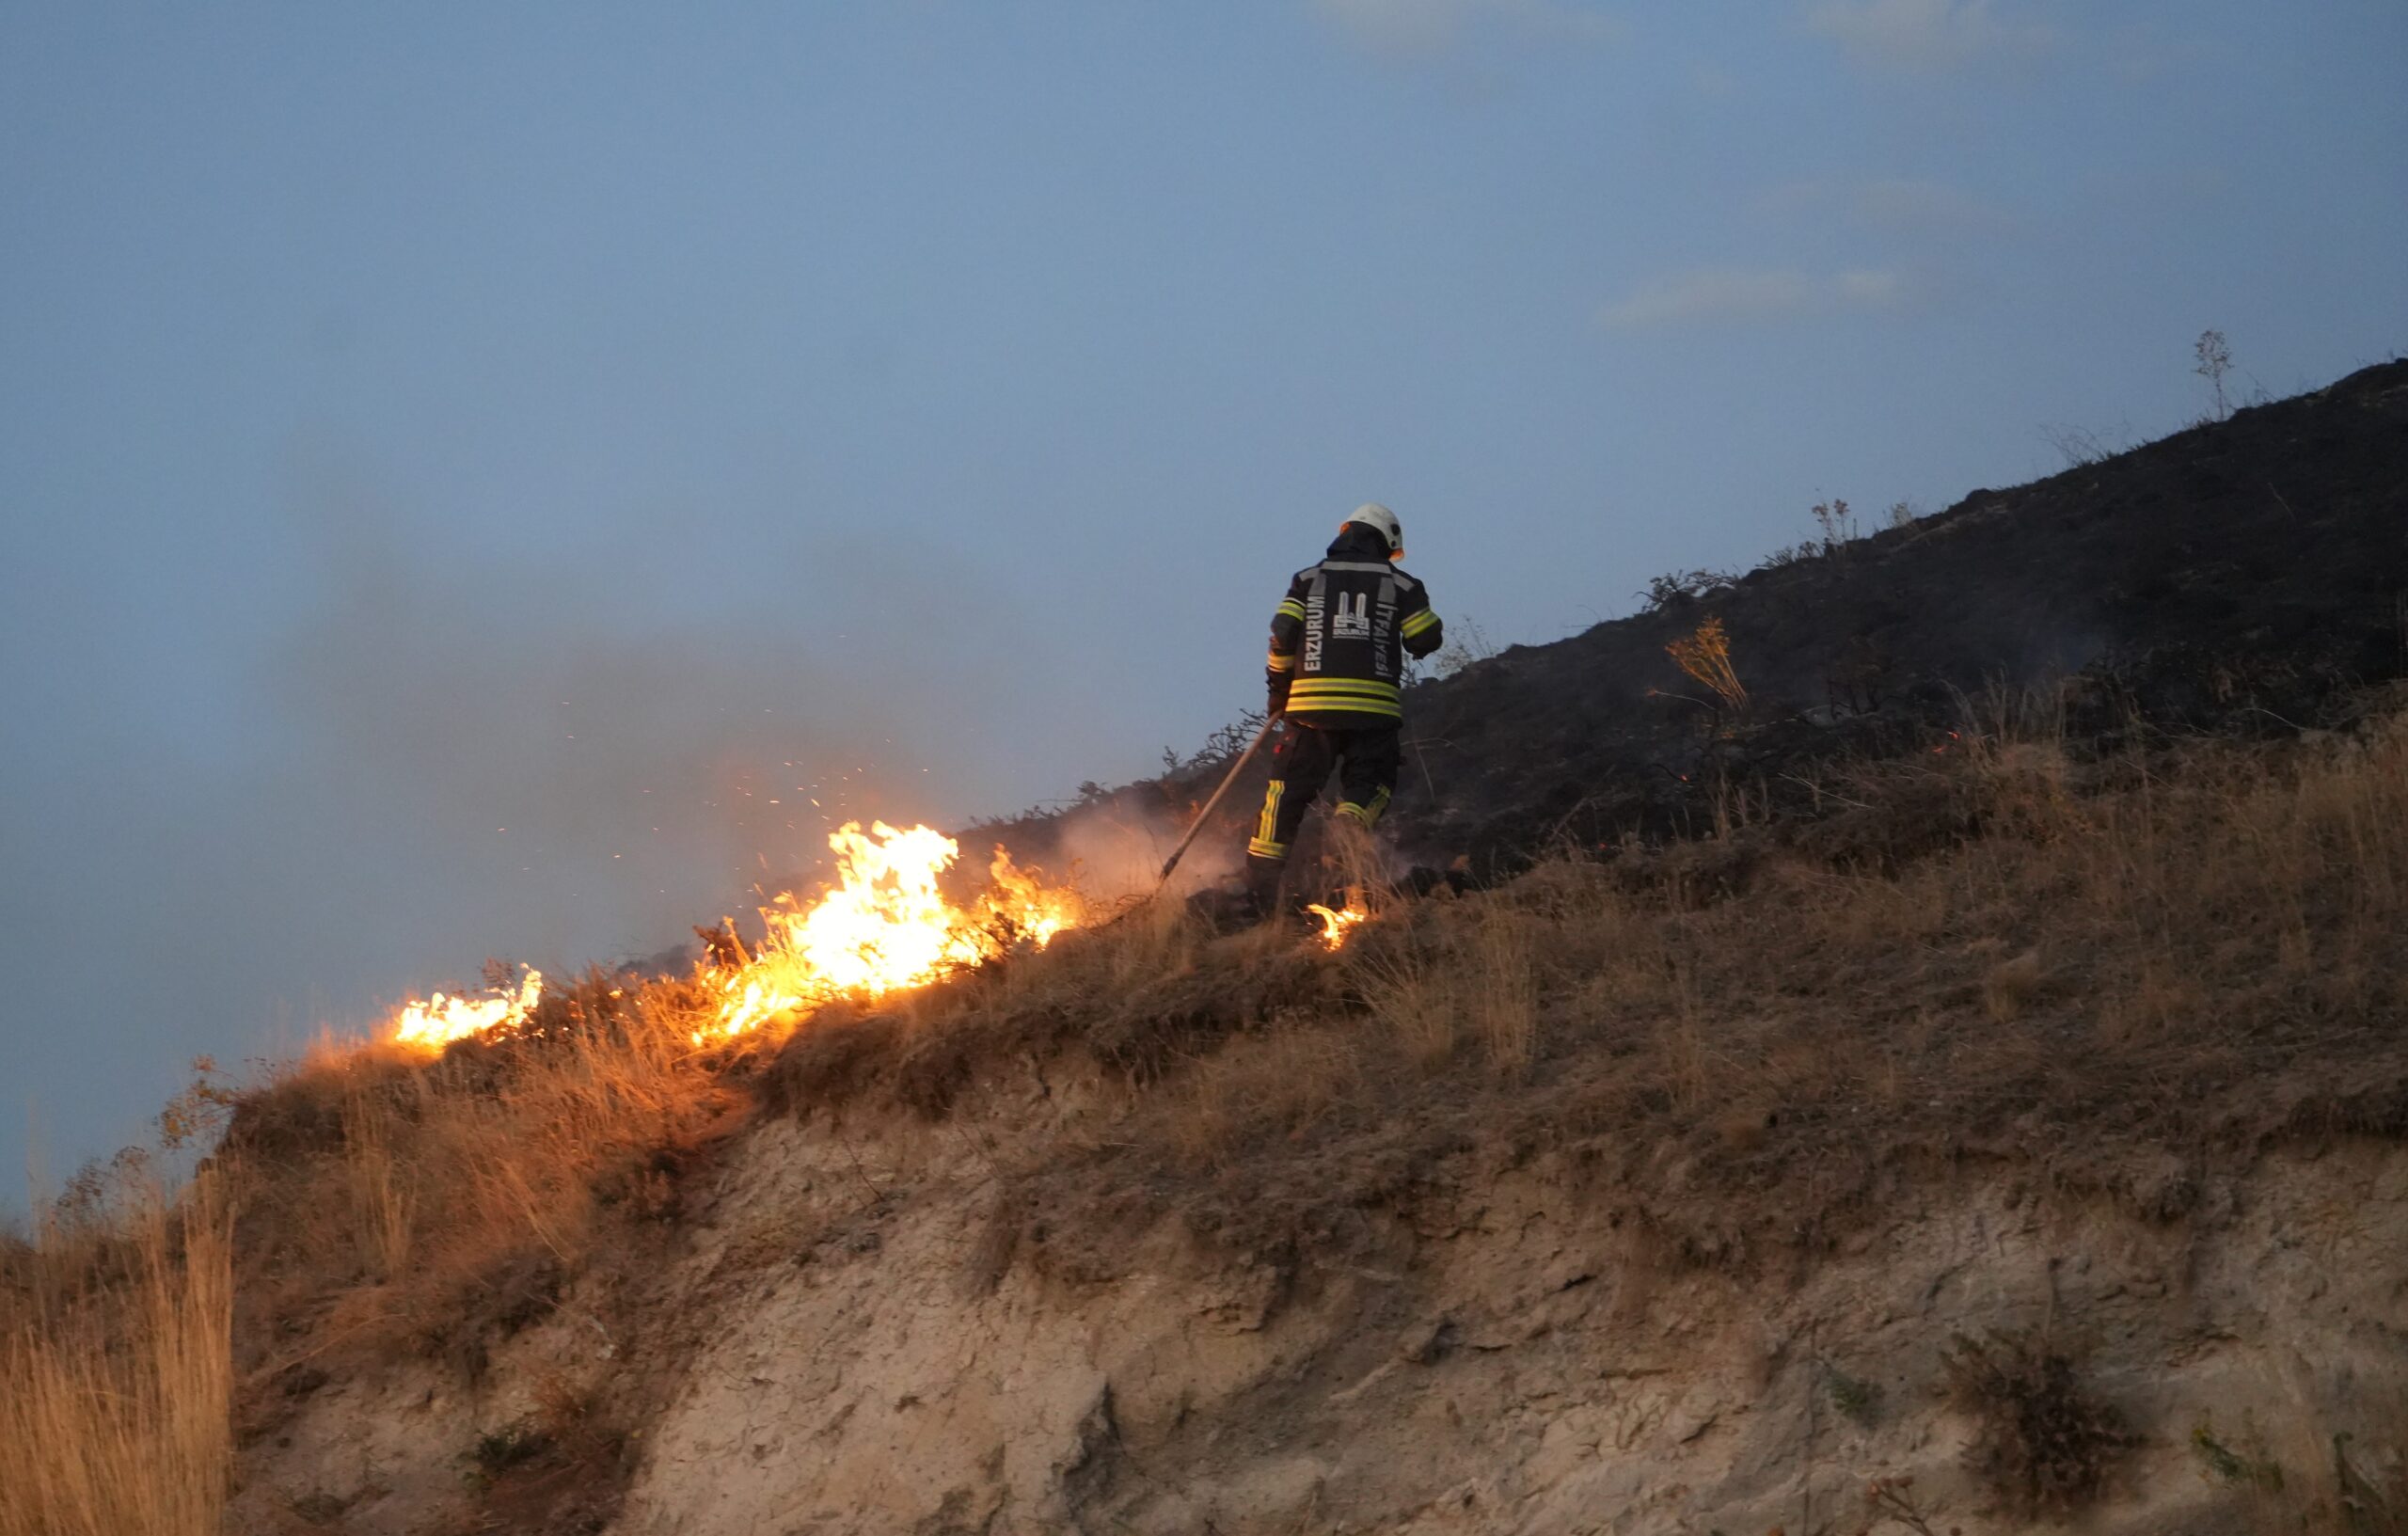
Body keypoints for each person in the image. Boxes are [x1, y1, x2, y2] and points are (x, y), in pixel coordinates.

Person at [1244, 503, 1443, 917]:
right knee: (1371, 781)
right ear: (1386, 542)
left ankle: (1259, 895)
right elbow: (1424, 638)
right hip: (1372, 711)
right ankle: (1350, 823)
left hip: (1309, 709)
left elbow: (1281, 635)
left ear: (1345, 533)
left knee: (1285, 794)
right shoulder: (1401, 583)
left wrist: (1278, 693)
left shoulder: (1307, 579)